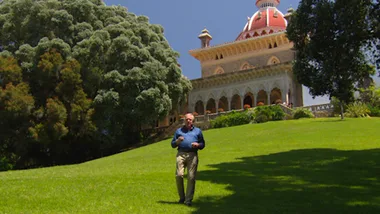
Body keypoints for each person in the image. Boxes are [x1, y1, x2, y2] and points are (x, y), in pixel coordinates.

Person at [171, 113, 205, 206]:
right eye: (187, 119)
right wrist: (177, 141)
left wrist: (198, 145)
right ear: (184, 120)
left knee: (191, 177)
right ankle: (182, 197)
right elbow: (173, 144)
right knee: (179, 175)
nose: (188, 121)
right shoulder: (179, 131)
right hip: (180, 154)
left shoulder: (197, 131)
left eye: (190, 119)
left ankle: (188, 200)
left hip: (192, 155)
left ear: (193, 121)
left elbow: (203, 144)